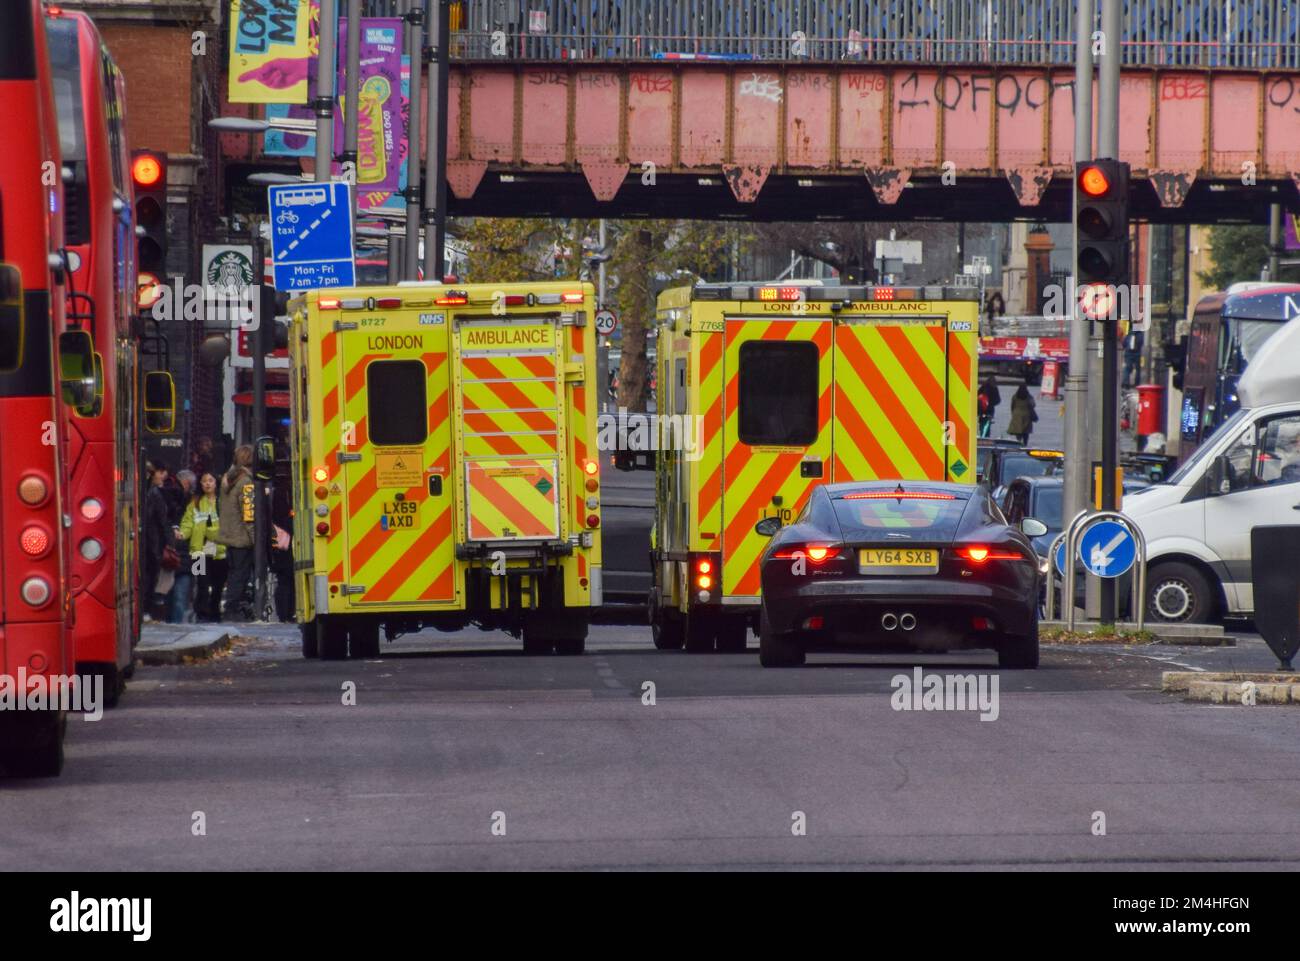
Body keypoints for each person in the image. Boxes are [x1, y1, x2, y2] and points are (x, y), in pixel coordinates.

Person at [180, 472, 228, 623]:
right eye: (204, 481)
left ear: (216, 483)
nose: (207, 484)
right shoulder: (195, 502)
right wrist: (182, 533)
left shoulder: (223, 502)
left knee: (218, 585)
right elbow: (188, 522)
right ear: (200, 484)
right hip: (199, 551)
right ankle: (202, 613)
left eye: (210, 480)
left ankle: (215, 613)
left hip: (220, 551)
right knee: (201, 583)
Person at [217, 445, 257, 621]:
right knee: (240, 576)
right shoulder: (246, 482)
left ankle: (230, 609)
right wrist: (256, 538)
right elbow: (249, 513)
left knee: (234, 575)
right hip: (242, 538)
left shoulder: (228, 480)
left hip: (229, 537)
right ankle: (232, 610)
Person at [141, 462, 173, 622]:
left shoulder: (153, 493)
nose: (162, 476)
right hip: (152, 543)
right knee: (150, 576)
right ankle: (146, 608)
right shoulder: (154, 493)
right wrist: (170, 542)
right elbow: (163, 520)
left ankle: (146, 608)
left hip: (151, 543)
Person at [1007, 382, 1037, 446]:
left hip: (1017, 415)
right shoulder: (1029, 396)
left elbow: (1012, 406)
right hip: (1027, 415)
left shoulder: (1015, 396)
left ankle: (1018, 443)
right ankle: (1025, 444)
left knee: (1018, 431)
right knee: (1026, 432)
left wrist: (1013, 414)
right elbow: (1033, 405)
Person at [977, 374, 1001, 438]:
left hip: (982, 409)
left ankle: (982, 435)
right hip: (990, 410)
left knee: (982, 422)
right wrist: (991, 403)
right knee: (988, 423)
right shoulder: (994, 388)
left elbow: (977, 395)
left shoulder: (983, 387)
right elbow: (998, 400)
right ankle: (986, 436)